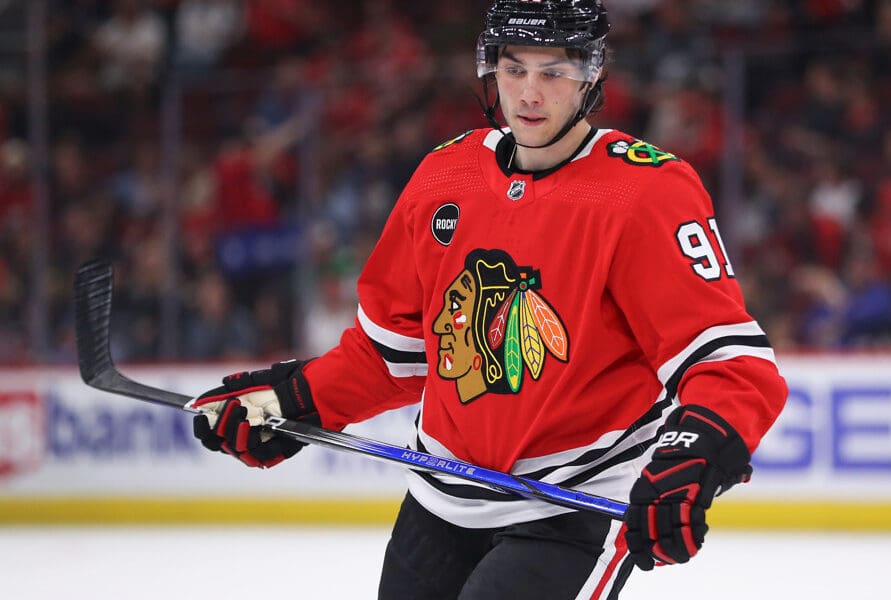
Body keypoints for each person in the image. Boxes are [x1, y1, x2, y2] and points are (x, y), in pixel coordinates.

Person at [190, 1, 788, 598]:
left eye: (552, 72)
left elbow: (730, 365)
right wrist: (292, 398)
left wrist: (694, 456)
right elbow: (391, 357)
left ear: (592, 77)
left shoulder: (647, 192)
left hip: (569, 504)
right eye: (513, 68)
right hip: (439, 490)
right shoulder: (444, 175)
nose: (528, 93)